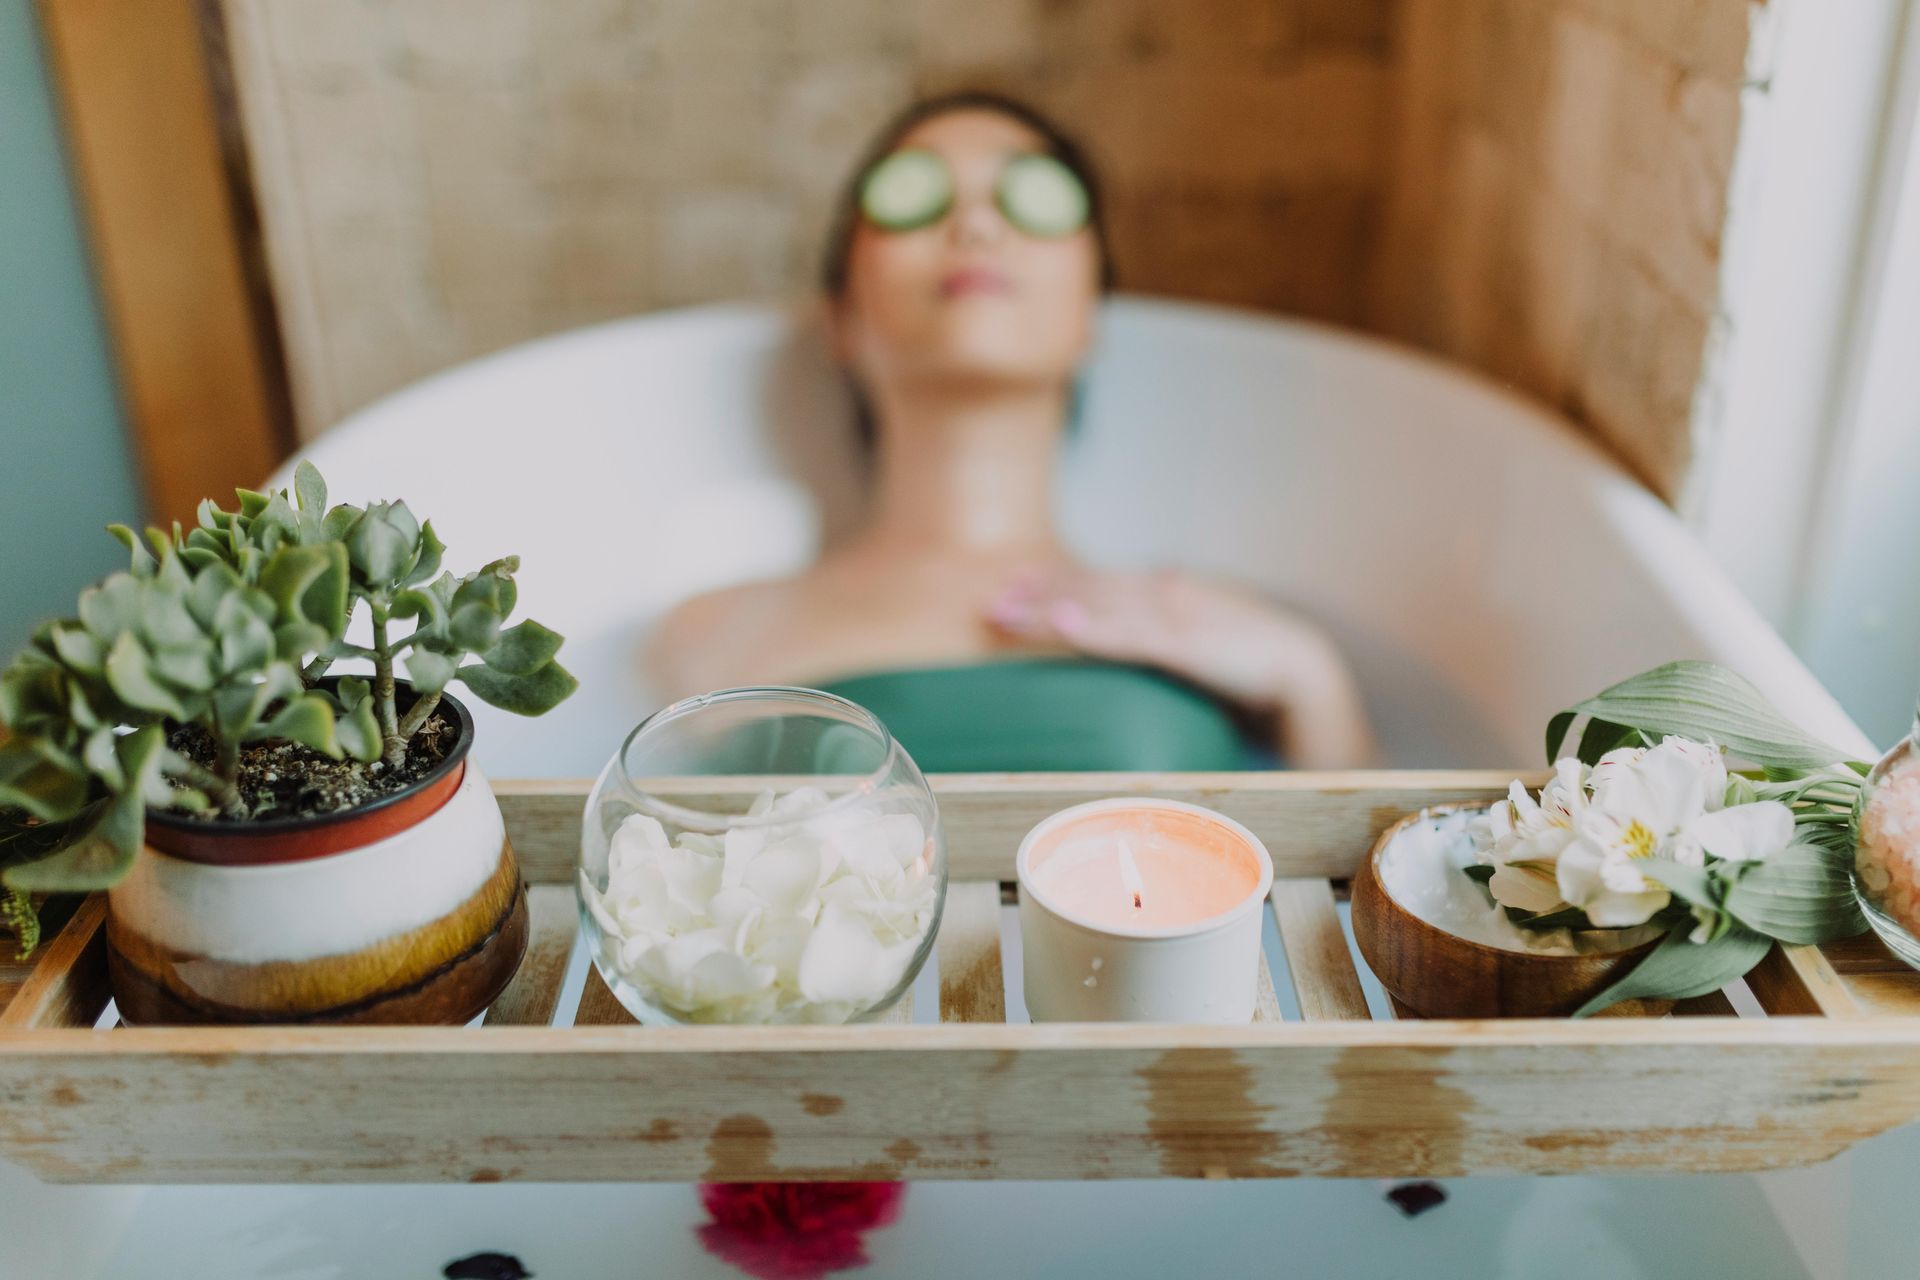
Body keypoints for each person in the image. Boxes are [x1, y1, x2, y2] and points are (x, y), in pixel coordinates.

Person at [649, 91, 1374, 771]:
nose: (976, 226)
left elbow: (1375, 885)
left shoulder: (1222, 627)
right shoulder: (709, 633)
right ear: (841, 317)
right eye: (917, 196)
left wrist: (1312, 681)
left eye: (1030, 198)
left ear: (1093, 309)